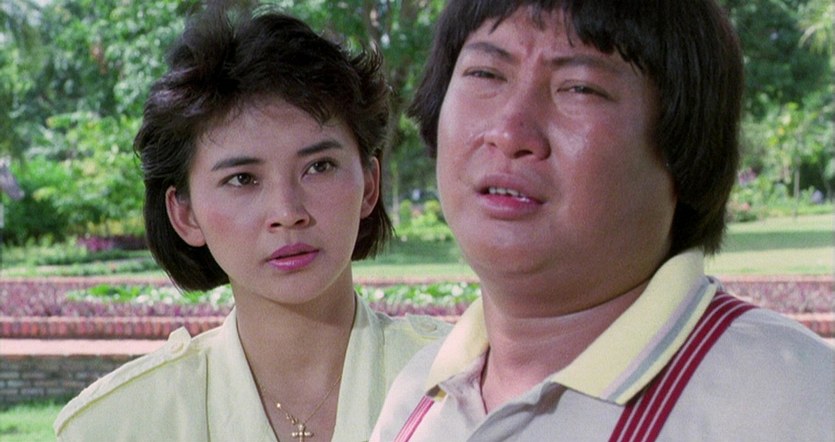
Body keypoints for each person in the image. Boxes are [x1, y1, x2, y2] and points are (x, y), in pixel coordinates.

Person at [371, 1, 834, 441]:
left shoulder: (792, 404)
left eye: (580, 88)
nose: (509, 132)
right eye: (486, 74)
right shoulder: (417, 399)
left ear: (687, 145)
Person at [54, 5, 449, 441]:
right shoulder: (118, 425)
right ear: (184, 213)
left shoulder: (463, 387)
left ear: (369, 185)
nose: (287, 212)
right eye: (242, 179)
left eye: (319, 166)